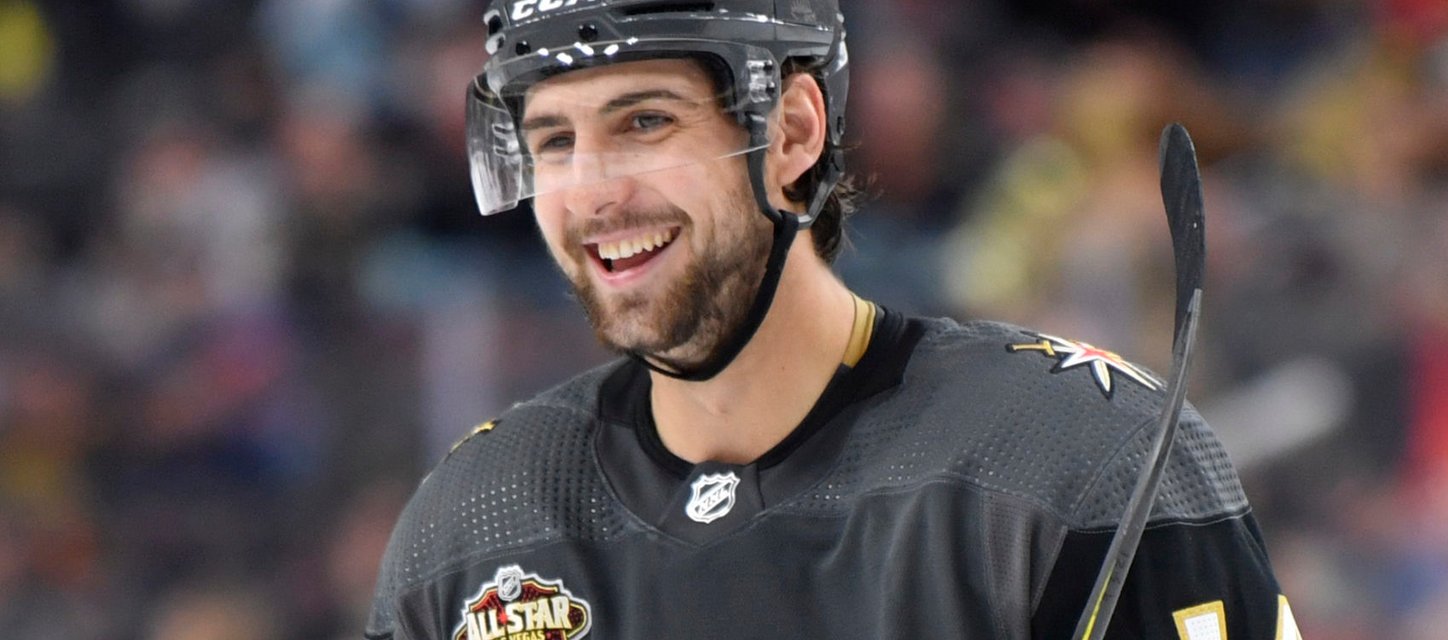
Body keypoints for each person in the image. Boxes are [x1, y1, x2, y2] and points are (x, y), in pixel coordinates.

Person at [366, 1, 1299, 638]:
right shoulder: (472, 525)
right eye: (554, 143)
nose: (594, 193)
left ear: (795, 133)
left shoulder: (1080, 458)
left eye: (645, 123)